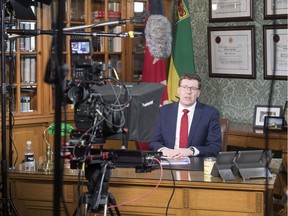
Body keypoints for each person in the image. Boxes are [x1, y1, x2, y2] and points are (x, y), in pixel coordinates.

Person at [148, 73, 221, 158]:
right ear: (178, 90)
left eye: (193, 88)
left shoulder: (210, 114)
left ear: (198, 93)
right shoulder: (163, 111)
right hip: (169, 161)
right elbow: (153, 142)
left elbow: (215, 148)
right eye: (184, 87)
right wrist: (165, 150)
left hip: (195, 163)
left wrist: (191, 151)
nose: (188, 92)